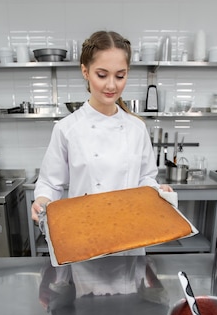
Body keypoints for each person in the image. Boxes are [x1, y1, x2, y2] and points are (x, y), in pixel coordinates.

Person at [31, 30, 173, 223]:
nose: (111, 85)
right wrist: (42, 201)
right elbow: (50, 183)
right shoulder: (67, 129)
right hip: (85, 229)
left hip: (130, 229)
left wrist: (158, 190)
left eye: (120, 76)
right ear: (85, 72)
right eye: (102, 75)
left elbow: (145, 179)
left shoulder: (136, 128)